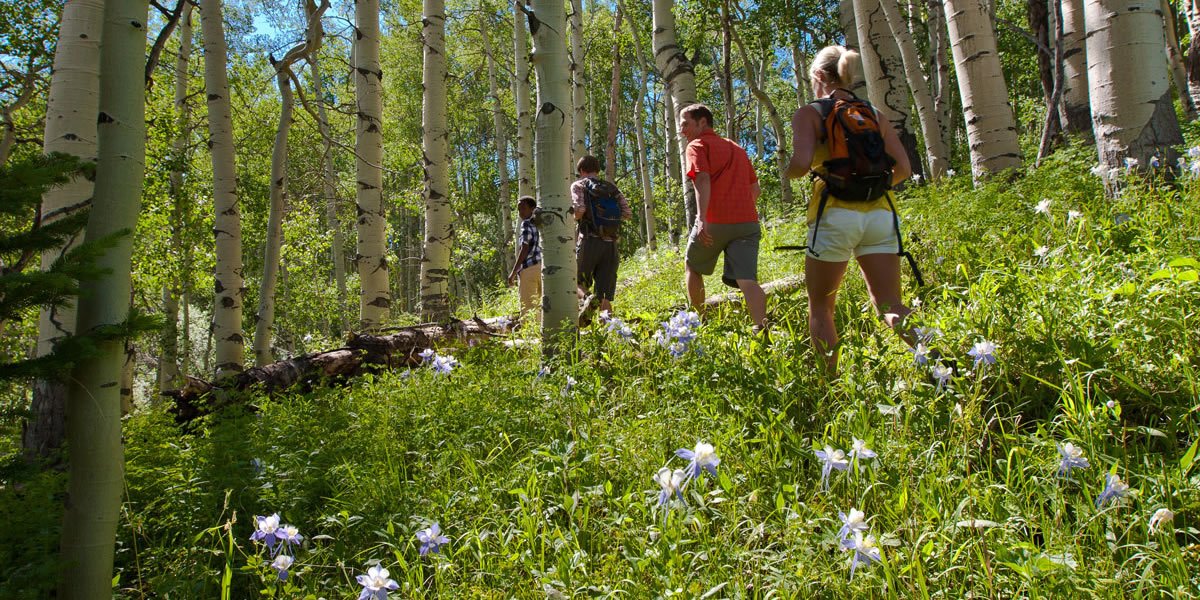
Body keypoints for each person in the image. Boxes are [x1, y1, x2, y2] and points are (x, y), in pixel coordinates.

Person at [785, 45, 915, 374]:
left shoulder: (810, 113)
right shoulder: (873, 113)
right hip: (880, 215)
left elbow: (801, 164)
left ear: (817, 76)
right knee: (890, 304)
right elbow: (903, 169)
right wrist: (868, 186)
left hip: (834, 216)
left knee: (821, 307)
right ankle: (944, 362)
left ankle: (832, 390)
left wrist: (785, 172)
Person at [678, 103, 768, 331]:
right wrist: (740, 211)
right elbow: (755, 189)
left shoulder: (696, 146)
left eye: (686, 124)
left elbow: (702, 180)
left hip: (714, 222)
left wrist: (702, 219)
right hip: (747, 223)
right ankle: (761, 327)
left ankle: (699, 323)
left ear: (702, 122)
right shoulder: (736, 148)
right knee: (747, 279)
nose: (682, 130)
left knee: (693, 266)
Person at [572, 155, 632, 316]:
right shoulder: (611, 187)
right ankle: (608, 329)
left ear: (581, 171)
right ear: (598, 171)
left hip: (589, 241)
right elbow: (627, 213)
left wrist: (570, 217)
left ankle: (588, 298)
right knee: (605, 294)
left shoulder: (579, 185)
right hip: (610, 243)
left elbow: (579, 211)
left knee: (575, 282)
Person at [506, 195, 542, 324]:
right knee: (541, 305)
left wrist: (514, 272)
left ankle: (530, 336)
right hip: (543, 268)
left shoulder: (526, 223)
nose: (521, 212)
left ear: (532, 208)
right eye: (518, 209)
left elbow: (524, 248)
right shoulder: (542, 223)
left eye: (523, 208)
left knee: (527, 306)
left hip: (529, 268)